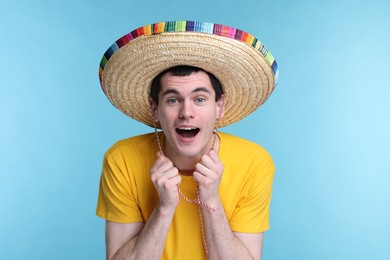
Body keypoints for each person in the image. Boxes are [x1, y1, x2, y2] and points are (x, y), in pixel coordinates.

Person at [96, 20, 279, 260]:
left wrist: (211, 199)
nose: (186, 112)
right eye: (173, 100)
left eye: (200, 99)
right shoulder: (121, 159)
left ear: (219, 106)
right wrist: (164, 208)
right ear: (154, 108)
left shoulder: (254, 162)